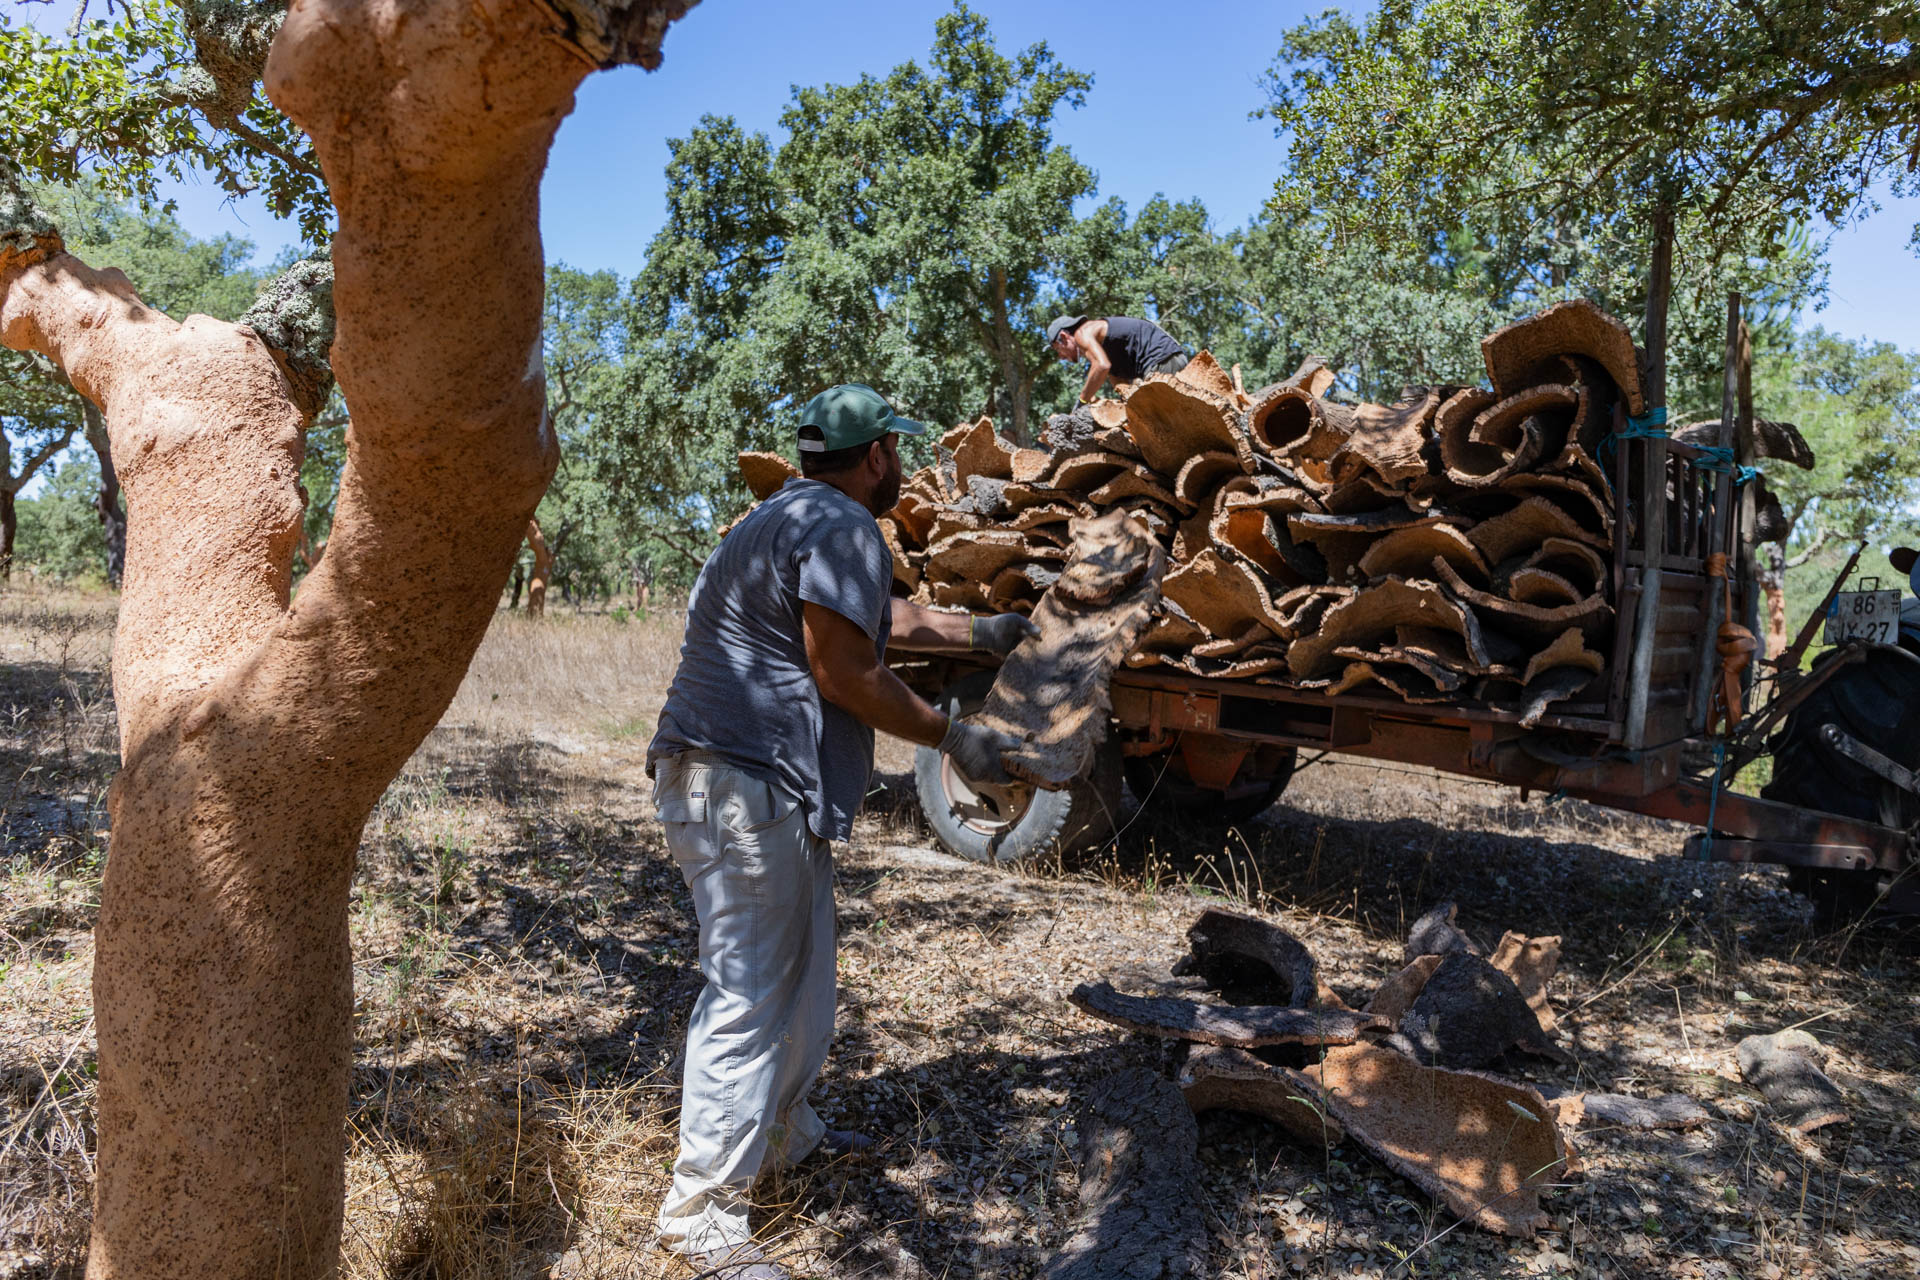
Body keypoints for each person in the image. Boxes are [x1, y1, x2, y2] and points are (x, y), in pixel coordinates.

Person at [647, 382, 1034, 1280]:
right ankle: (699, 1216)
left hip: (742, 783)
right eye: (894, 450)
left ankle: (783, 1137)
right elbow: (845, 667)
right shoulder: (844, 524)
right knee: (747, 995)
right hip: (747, 786)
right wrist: (953, 736)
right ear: (875, 457)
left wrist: (982, 629)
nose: (898, 465)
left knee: (803, 978)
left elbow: (876, 615)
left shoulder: (782, 516)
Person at [1046, 313, 1191, 404]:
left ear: (1064, 337)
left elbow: (1101, 366)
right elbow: (1122, 388)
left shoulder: (1083, 332)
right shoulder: (1107, 352)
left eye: (1057, 349)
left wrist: (1082, 400)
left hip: (1161, 361)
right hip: (1171, 359)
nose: (1061, 357)